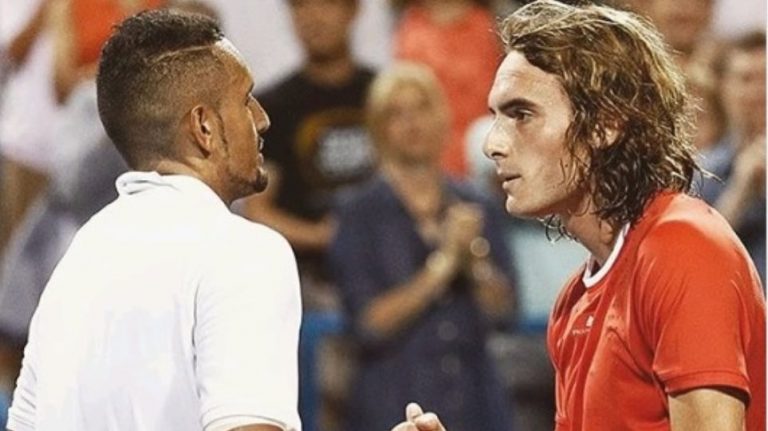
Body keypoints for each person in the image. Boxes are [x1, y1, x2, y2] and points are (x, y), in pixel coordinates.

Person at [392, 1, 766, 430]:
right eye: (497, 116)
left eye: (521, 114)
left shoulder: (683, 248)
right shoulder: (574, 301)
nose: (492, 144)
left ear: (606, 124)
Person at [7, 9, 302, 431]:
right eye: (245, 100)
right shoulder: (245, 253)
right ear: (204, 127)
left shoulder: (77, 262)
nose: (261, 118)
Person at [330, 63, 514, 431]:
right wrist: (443, 265)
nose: (412, 124)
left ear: (442, 118)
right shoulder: (357, 214)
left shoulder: (477, 204)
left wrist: (473, 258)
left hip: (475, 402)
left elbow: (505, 309)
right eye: (396, 113)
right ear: (378, 128)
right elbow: (369, 324)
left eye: (421, 108)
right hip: (392, 402)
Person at [242, 0, 376, 312]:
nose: (312, 17)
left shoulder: (383, 95)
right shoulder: (272, 108)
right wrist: (323, 236)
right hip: (305, 281)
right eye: (300, 5)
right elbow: (258, 210)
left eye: (325, 4)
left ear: (353, 10)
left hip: (384, 269)